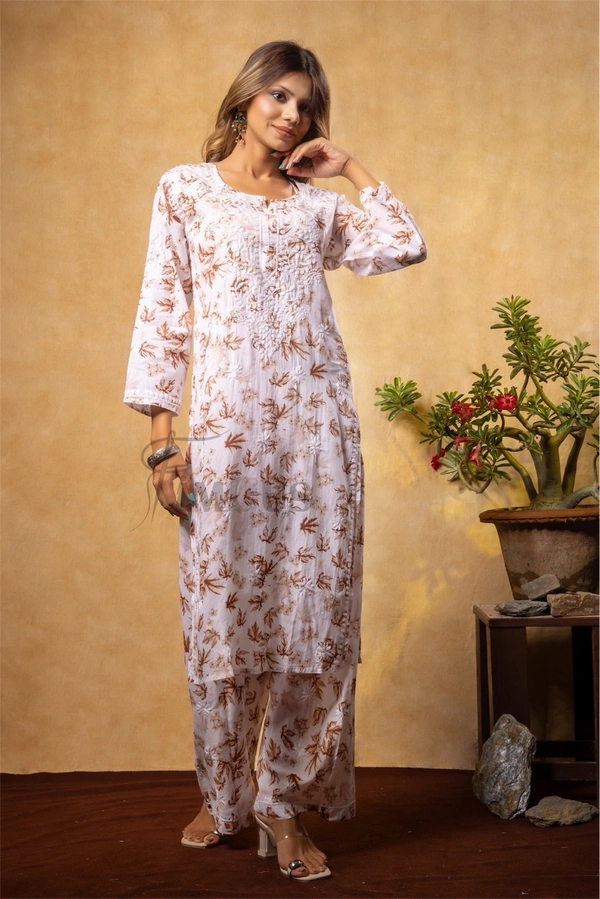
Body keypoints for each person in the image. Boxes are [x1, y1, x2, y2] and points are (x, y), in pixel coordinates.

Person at [124, 39, 426, 883]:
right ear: (246, 97)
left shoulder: (315, 209)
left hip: (317, 437)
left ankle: (281, 802)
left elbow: (404, 244)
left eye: (305, 104)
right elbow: (162, 314)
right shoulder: (186, 190)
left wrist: (350, 167)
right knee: (222, 622)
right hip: (227, 439)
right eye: (280, 96)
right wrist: (163, 440)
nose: (292, 114)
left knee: (310, 619)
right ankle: (224, 795)